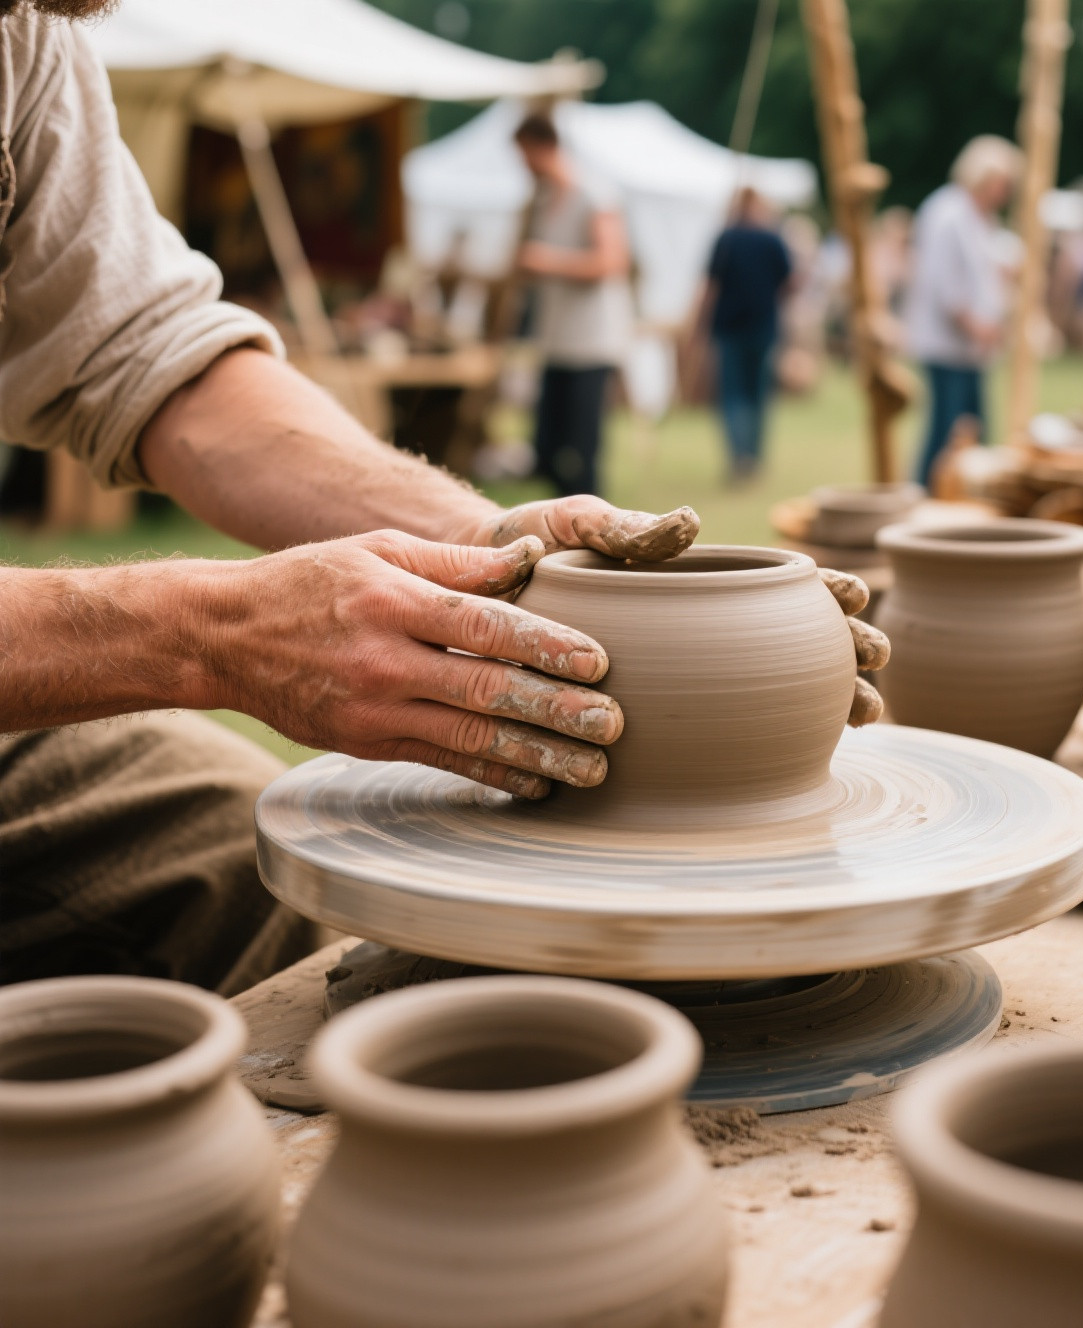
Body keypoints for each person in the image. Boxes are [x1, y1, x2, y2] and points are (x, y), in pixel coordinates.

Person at [0, 3, 889, 994]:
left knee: (263, 864)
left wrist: (488, 546)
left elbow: (144, 354)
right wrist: (203, 632)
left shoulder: (28, 29)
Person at [512, 112, 634, 499]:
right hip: (556, 340)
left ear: (539, 147)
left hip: (590, 342)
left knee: (583, 452)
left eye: (523, 155)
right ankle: (570, 522)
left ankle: (596, 532)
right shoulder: (544, 199)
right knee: (545, 450)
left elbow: (613, 261)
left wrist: (546, 260)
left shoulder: (594, 194)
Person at [905, 135, 1023, 489]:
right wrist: (975, 325)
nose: (1005, 191)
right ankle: (927, 492)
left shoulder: (975, 217)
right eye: (1003, 182)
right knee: (947, 430)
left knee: (973, 428)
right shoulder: (948, 212)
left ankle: (970, 492)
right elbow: (944, 283)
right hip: (949, 344)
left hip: (968, 348)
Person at [702, 188, 793, 482]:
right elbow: (789, 281)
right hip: (762, 326)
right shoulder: (771, 239)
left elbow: (711, 285)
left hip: (730, 327)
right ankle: (752, 456)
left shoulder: (726, 239)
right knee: (757, 395)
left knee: (733, 395)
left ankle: (740, 456)